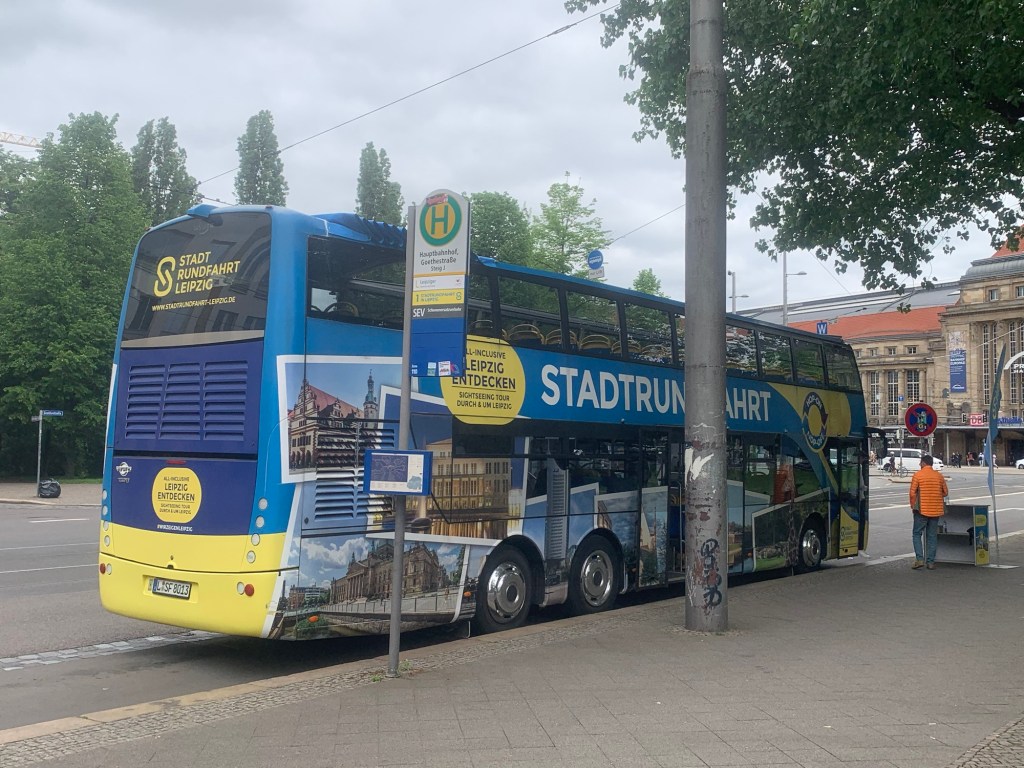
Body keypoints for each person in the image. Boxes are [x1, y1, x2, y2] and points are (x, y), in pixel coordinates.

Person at [909, 454, 949, 570]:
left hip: (921, 510)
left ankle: (919, 559)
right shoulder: (939, 476)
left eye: (920, 462)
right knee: (932, 536)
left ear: (923, 463)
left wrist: (913, 506)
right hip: (936, 510)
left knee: (917, 534)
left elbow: (912, 493)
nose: (919, 464)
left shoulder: (917, 475)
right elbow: (945, 492)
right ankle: (930, 562)